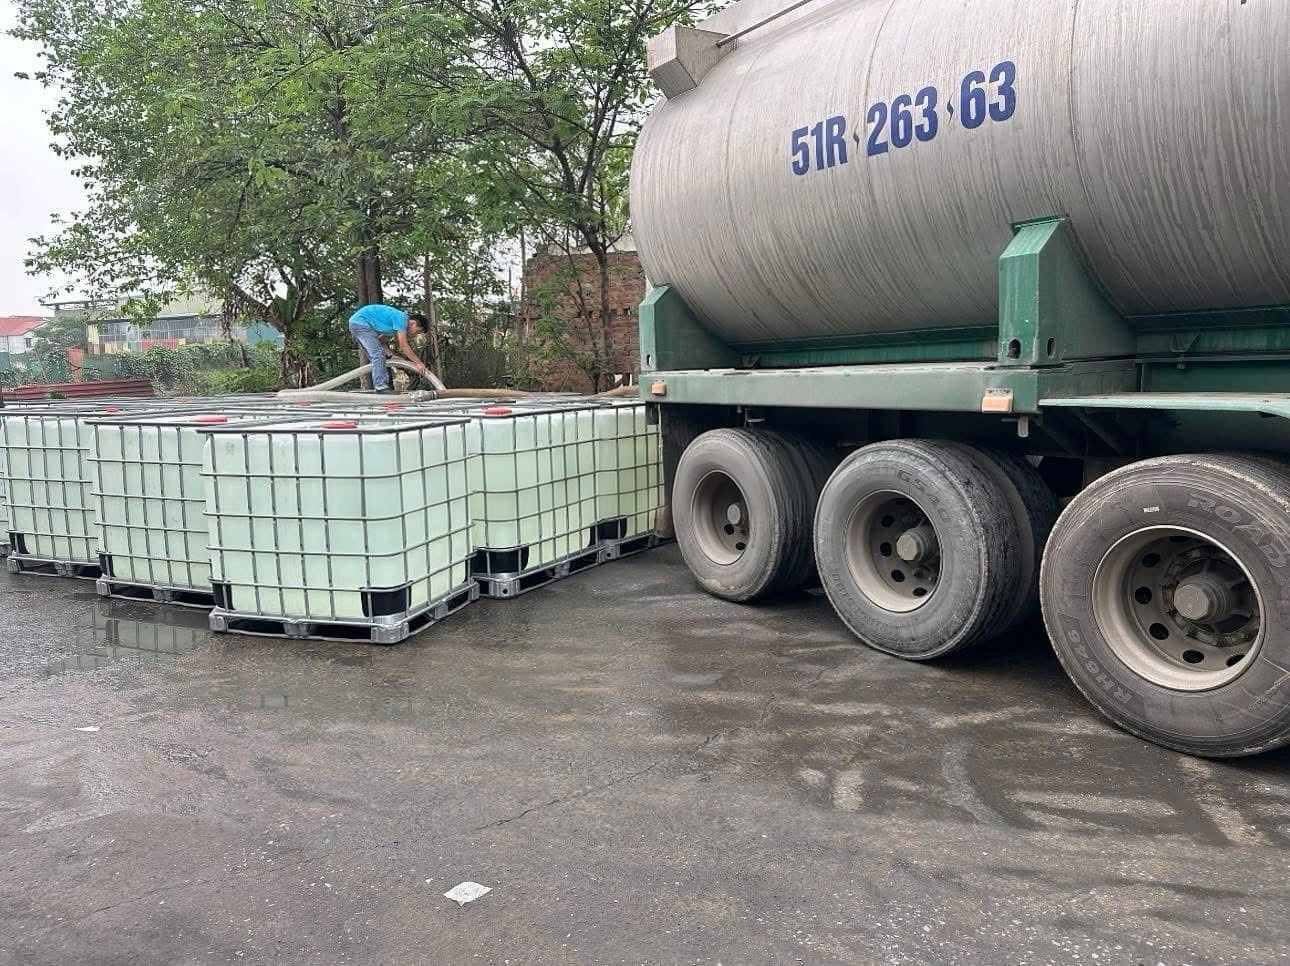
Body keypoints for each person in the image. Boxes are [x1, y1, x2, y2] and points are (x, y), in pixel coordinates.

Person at [347, 303, 432, 392]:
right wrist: (418, 363)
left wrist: (391, 355)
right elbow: (404, 345)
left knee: (377, 358)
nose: (415, 335)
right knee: (378, 355)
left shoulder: (392, 328)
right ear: (413, 323)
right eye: (417, 332)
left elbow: (381, 342)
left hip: (358, 324)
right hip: (361, 323)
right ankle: (380, 386)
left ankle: (379, 386)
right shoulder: (402, 319)